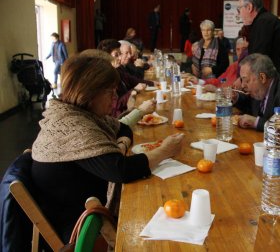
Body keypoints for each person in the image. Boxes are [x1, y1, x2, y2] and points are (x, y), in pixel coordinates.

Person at [30, 53, 184, 243]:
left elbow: (124, 128)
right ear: (89, 93)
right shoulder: (73, 126)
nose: (115, 98)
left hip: (85, 203)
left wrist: (120, 146)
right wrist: (165, 151)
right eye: (110, 92)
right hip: (77, 223)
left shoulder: (82, 114)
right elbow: (121, 170)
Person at [233, 53, 280, 132]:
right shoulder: (261, 89)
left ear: (262, 77)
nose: (242, 85)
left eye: (246, 80)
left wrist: (256, 122)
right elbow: (250, 104)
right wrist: (236, 97)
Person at [237, 0, 280, 80]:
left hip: (278, 83)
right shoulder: (264, 20)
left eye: (239, 9)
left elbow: (257, 61)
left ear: (249, 7)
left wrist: (242, 80)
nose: (239, 13)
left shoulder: (263, 22)